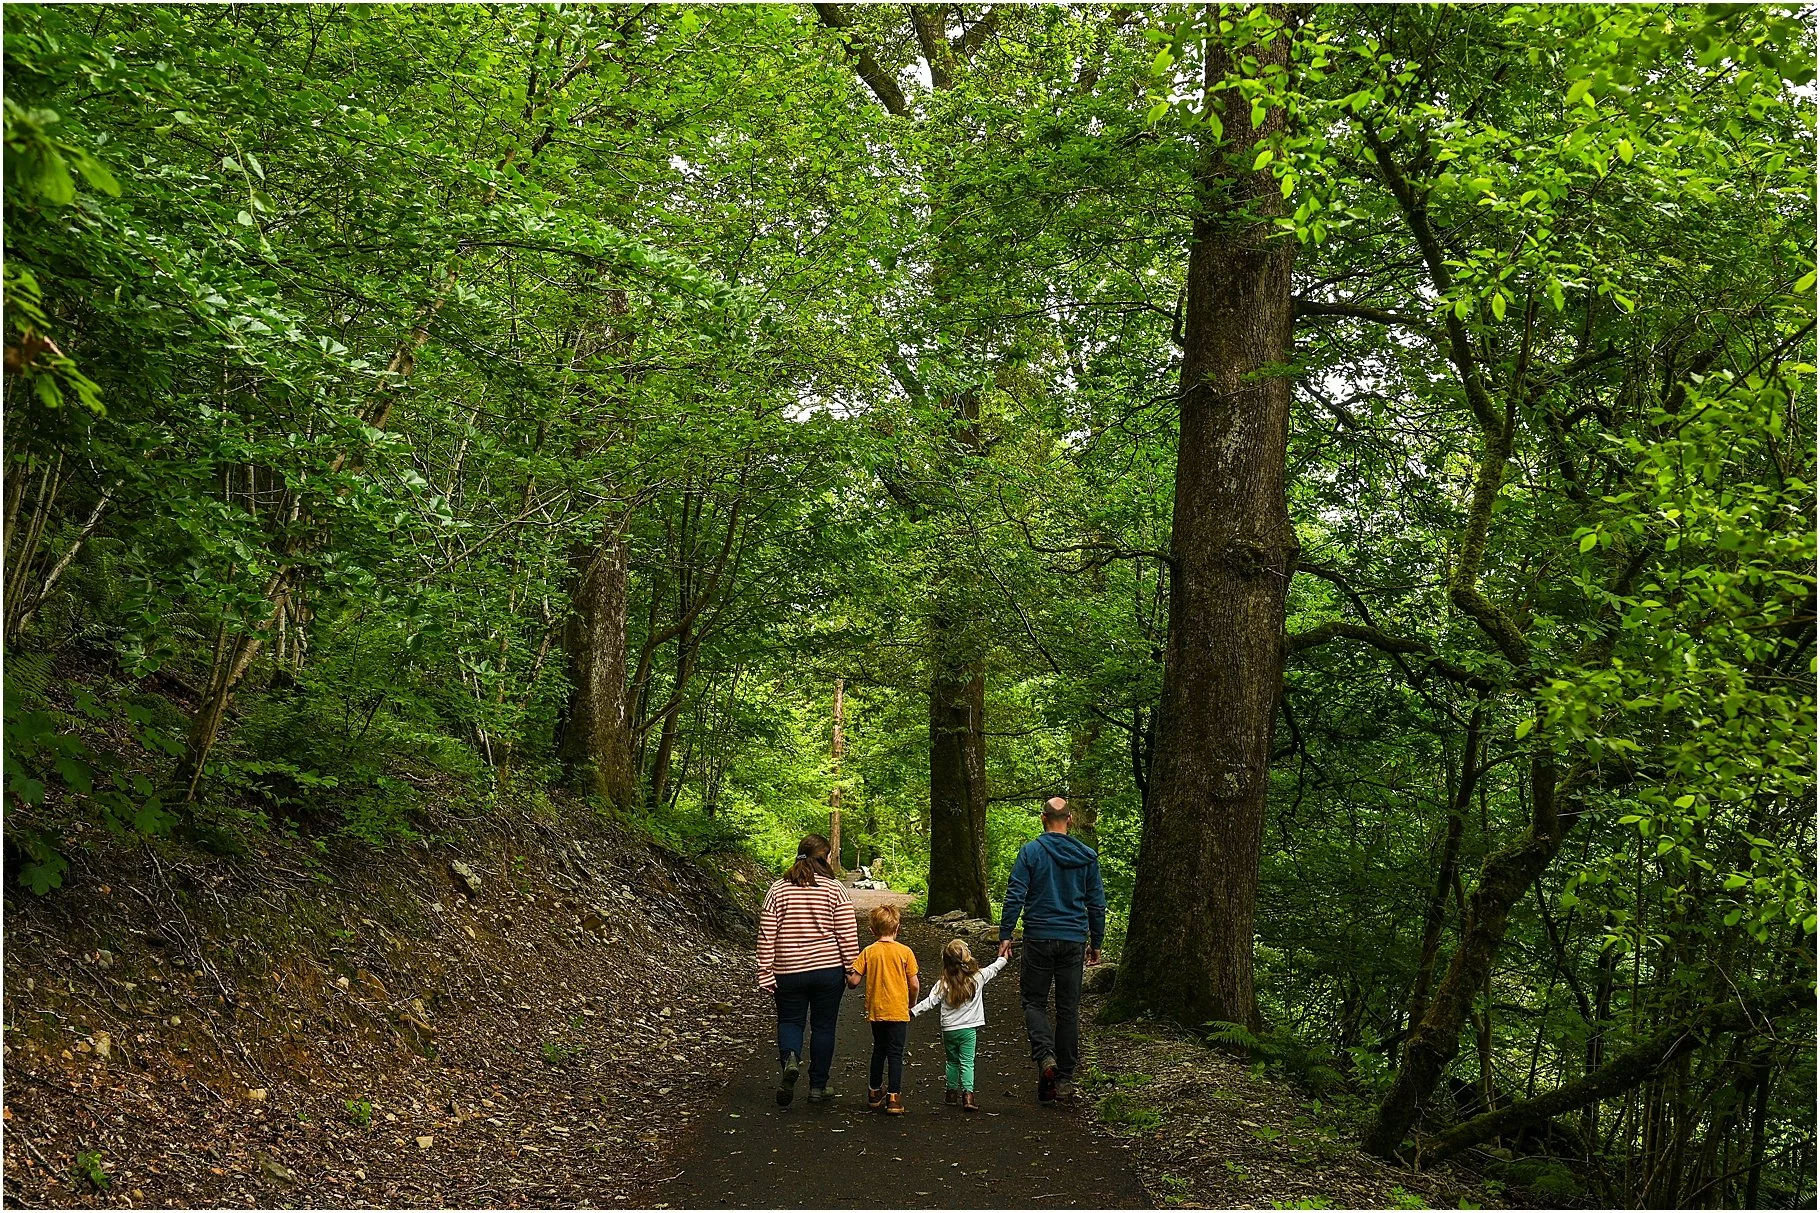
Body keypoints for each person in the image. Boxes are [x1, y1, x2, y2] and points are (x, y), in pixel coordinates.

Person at [997, 796, 1106, 1105]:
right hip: (1073, 939)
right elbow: (1096, 903)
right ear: (1069, 819)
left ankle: (1046, 1056)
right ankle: (1065, 1080)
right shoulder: (1086, 856)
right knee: (1068, 1008)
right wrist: (1096, 941)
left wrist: (1006, 935)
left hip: (1039, 937)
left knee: (1034, 1002)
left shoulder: (1031, 852)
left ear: (1043, 818)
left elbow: (1015, 893)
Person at [757, 834, 859, 1107]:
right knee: (824, 1027)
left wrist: (765, 971)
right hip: (828, 970)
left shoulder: (777, 890)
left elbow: (767, 934)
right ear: (824, 858)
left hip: (789, 970)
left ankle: (790, 1059)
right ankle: (817, 1087)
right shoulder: (834, 890)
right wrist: (852, 968)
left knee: (790, 1022)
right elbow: (847, 933)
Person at [911, 938, 1009, 1111]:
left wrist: (912, 1011)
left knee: (952, 1062)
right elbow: (994, 968)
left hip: (949, 1029)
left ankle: (951, 1093)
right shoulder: (978, 977)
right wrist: (1003, 957)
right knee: (967, 1062)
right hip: (969, 1030)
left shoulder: (944, 982)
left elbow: (930, 1001)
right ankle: (968, 1096)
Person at [848, 903, 919, 1114]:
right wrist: (912, 1003)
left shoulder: (868, 952)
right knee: (895, 1053)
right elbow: (914, 984)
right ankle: (894, 1098)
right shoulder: (905, 952)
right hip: (898, 1011)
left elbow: (854, 982)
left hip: (877, 1010)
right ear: (897, 928)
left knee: (879, 1049)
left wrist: (848, 974)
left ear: (872, 930)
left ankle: (874, 1092)